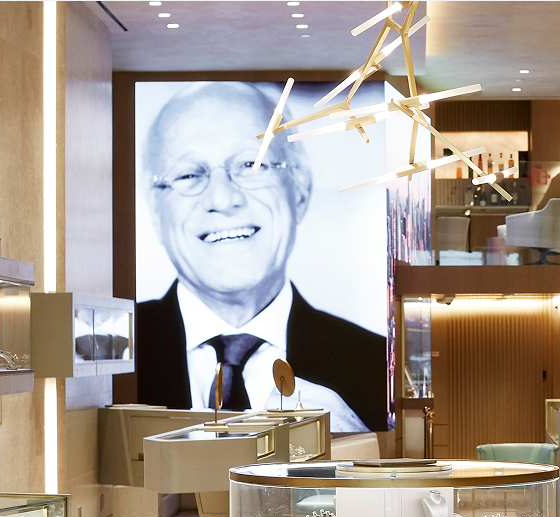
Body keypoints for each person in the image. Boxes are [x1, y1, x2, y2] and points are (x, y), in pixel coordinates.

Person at [136, 82, 387, 432]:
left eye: (250, 165)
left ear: (300, 189)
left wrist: (358, 455)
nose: (223, 200)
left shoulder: (378, 367)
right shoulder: (109, 357)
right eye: (189, 174)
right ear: (155, 211)